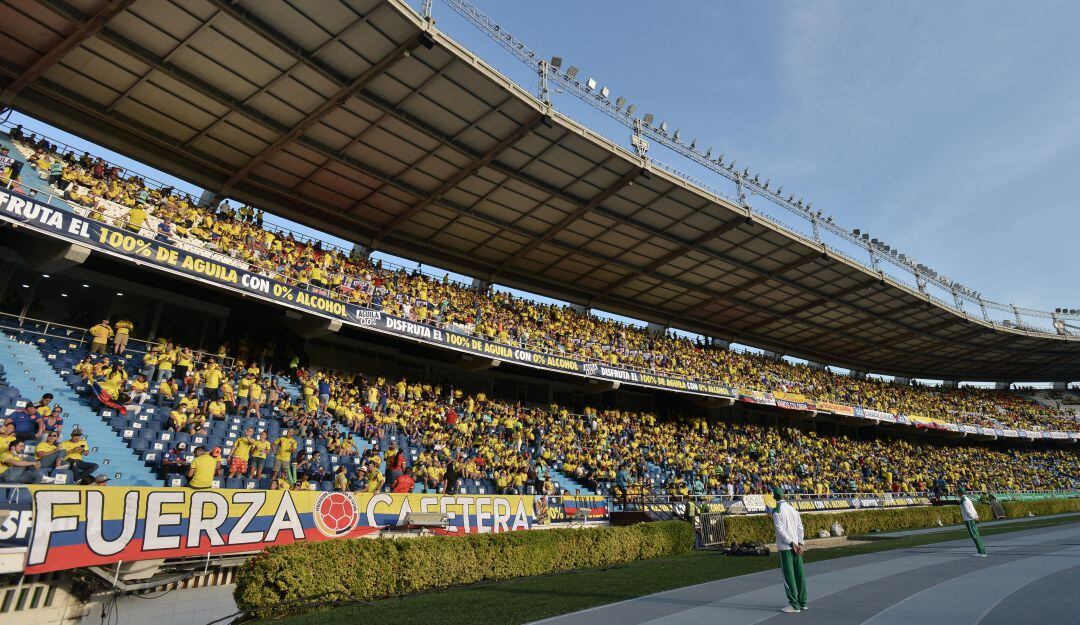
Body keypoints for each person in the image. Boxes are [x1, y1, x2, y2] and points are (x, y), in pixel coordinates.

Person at [769, 486, 807, 613]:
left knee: (788, 576)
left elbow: (780, 532)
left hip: (786, 547)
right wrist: (800, 543)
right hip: (797, 546)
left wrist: (791, 544)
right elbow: (800, 527)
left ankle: (794, 604)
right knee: (799, 574)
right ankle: (803, 602)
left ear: (774, 497)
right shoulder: (793, 509)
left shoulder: (776, 511)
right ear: (784, 496)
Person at [959, 488, 987, 557]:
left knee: (974, 535)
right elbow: (972, 509)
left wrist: (973, 517)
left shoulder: (963, 500)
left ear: (960, 493)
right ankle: (982, 550)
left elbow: (968, 511)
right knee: (976, 534)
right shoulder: (968, 499)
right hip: (971, 518)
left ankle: (981, 552)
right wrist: (975, 516)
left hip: (969, 520)